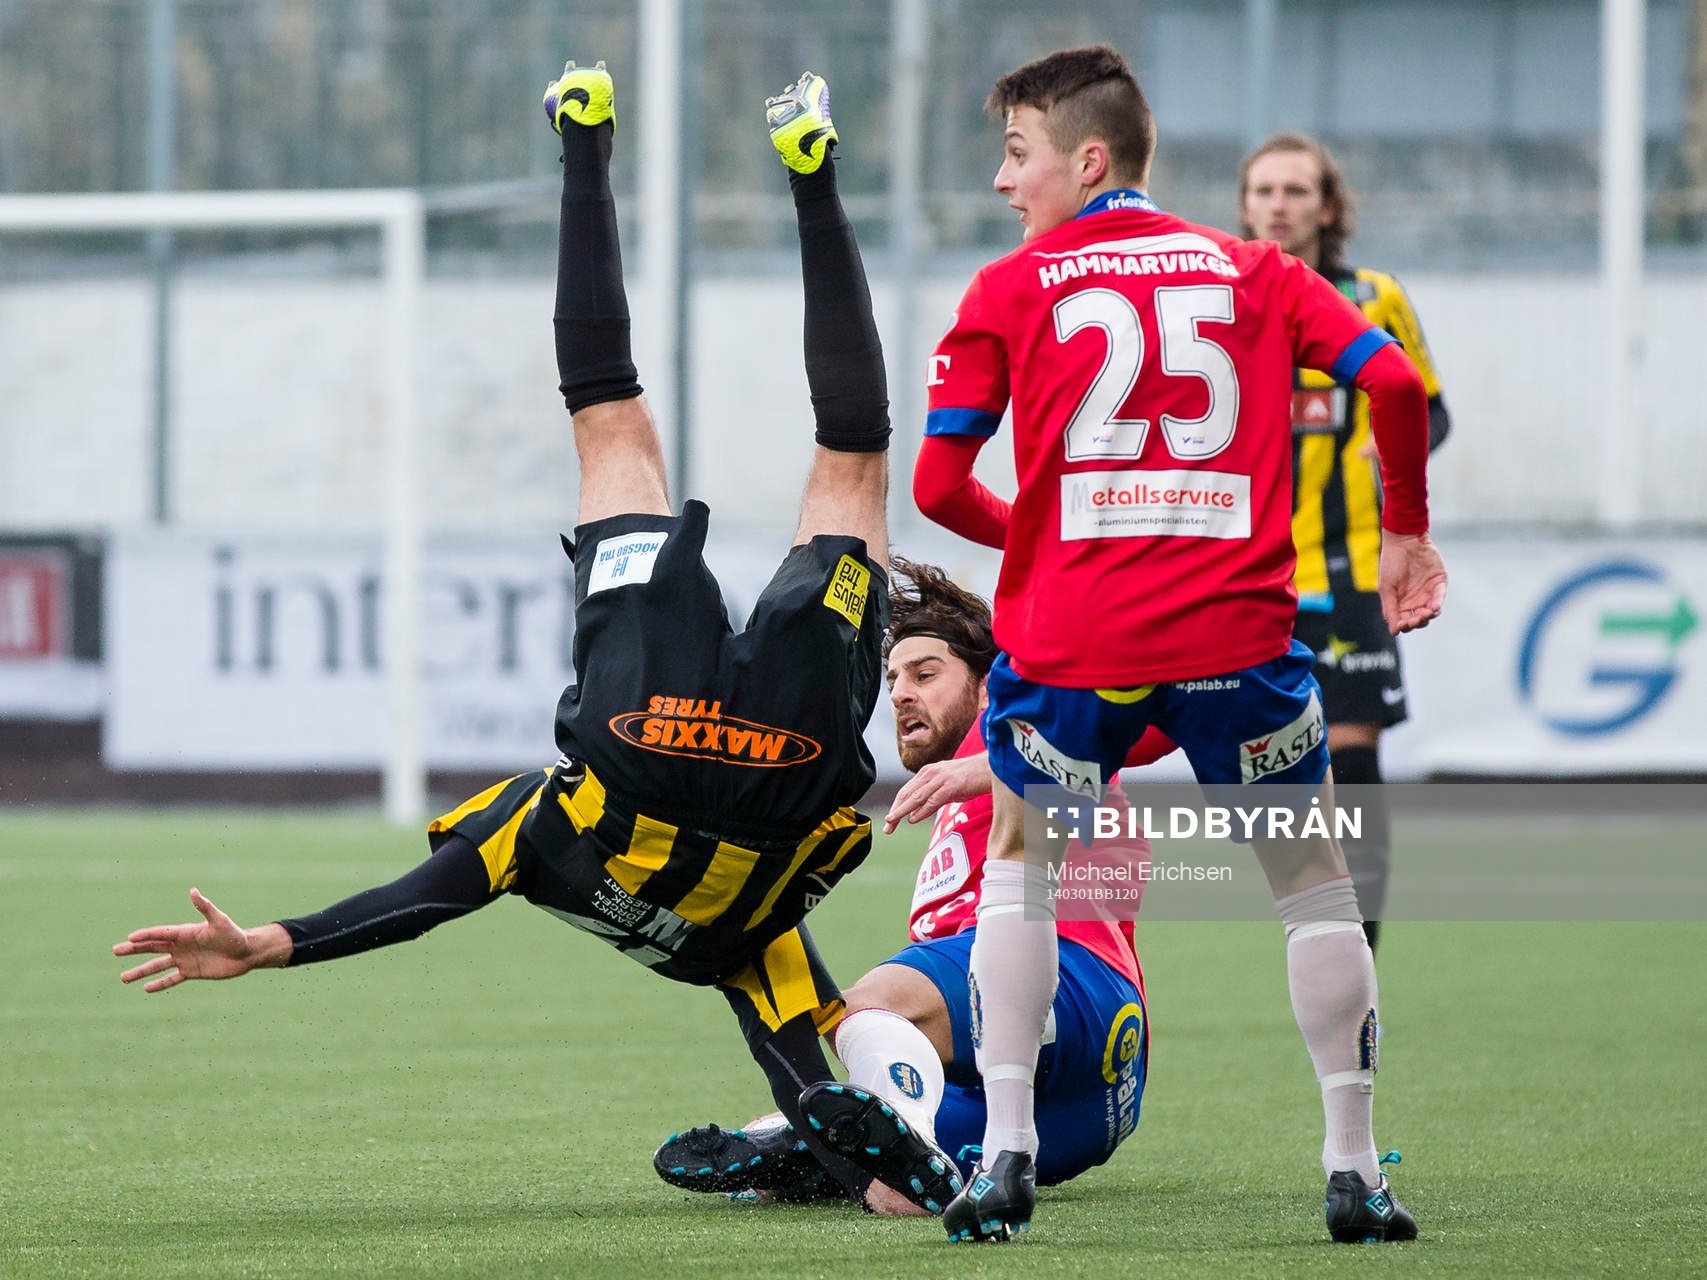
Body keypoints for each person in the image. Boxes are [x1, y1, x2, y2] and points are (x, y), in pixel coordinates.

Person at [113, 64, 904, 1209]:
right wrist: (276, 939)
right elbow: (430, 890)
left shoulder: (758, 943)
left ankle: (806, 170)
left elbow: (805, 1075)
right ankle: (587, 142)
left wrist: (842, 1159)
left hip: (781, 755)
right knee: (610, 418)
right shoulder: (559, 852)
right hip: (644, 725)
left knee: (847, 459)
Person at [908, 45, 1446, 1243]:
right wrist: (1404, 531)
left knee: (1021, 872)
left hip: (1074, 645)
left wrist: (1037, 551)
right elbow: (1395, 387)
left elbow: (940, 483)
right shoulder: (1257, 272)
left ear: (1086, 160)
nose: (1004, 182)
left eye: (1017, 153)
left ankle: (1003, 1158)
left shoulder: (1008, 288)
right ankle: (1353, 1167)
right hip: (1239, 638)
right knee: (1314, 891)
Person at [652, 560, 1167, 1216]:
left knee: (870, 1008)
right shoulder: (951, 803)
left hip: (1078, 994)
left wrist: (993, 762)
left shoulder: (1017, 727)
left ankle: (827, 1142)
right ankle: (803, 1154)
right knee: (880, 1168)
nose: (899, 692)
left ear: (989, 686)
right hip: (1082, 1112)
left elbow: (1109, 731)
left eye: (925, 675)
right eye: (893, 678)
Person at [1240, 132, 1451, 953]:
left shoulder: (1374, 297)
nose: (1278, 206)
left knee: (1353, 766)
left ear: (1326, 207)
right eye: (1263, 191)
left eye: (1295, 191)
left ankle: (1358, 953)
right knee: (1264, 776)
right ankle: (1309, 936)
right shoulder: (1221, 295)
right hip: (1252, 571)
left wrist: (1393, 449)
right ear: (1245, 204)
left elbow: (1430, 407)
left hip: (1355, 566)